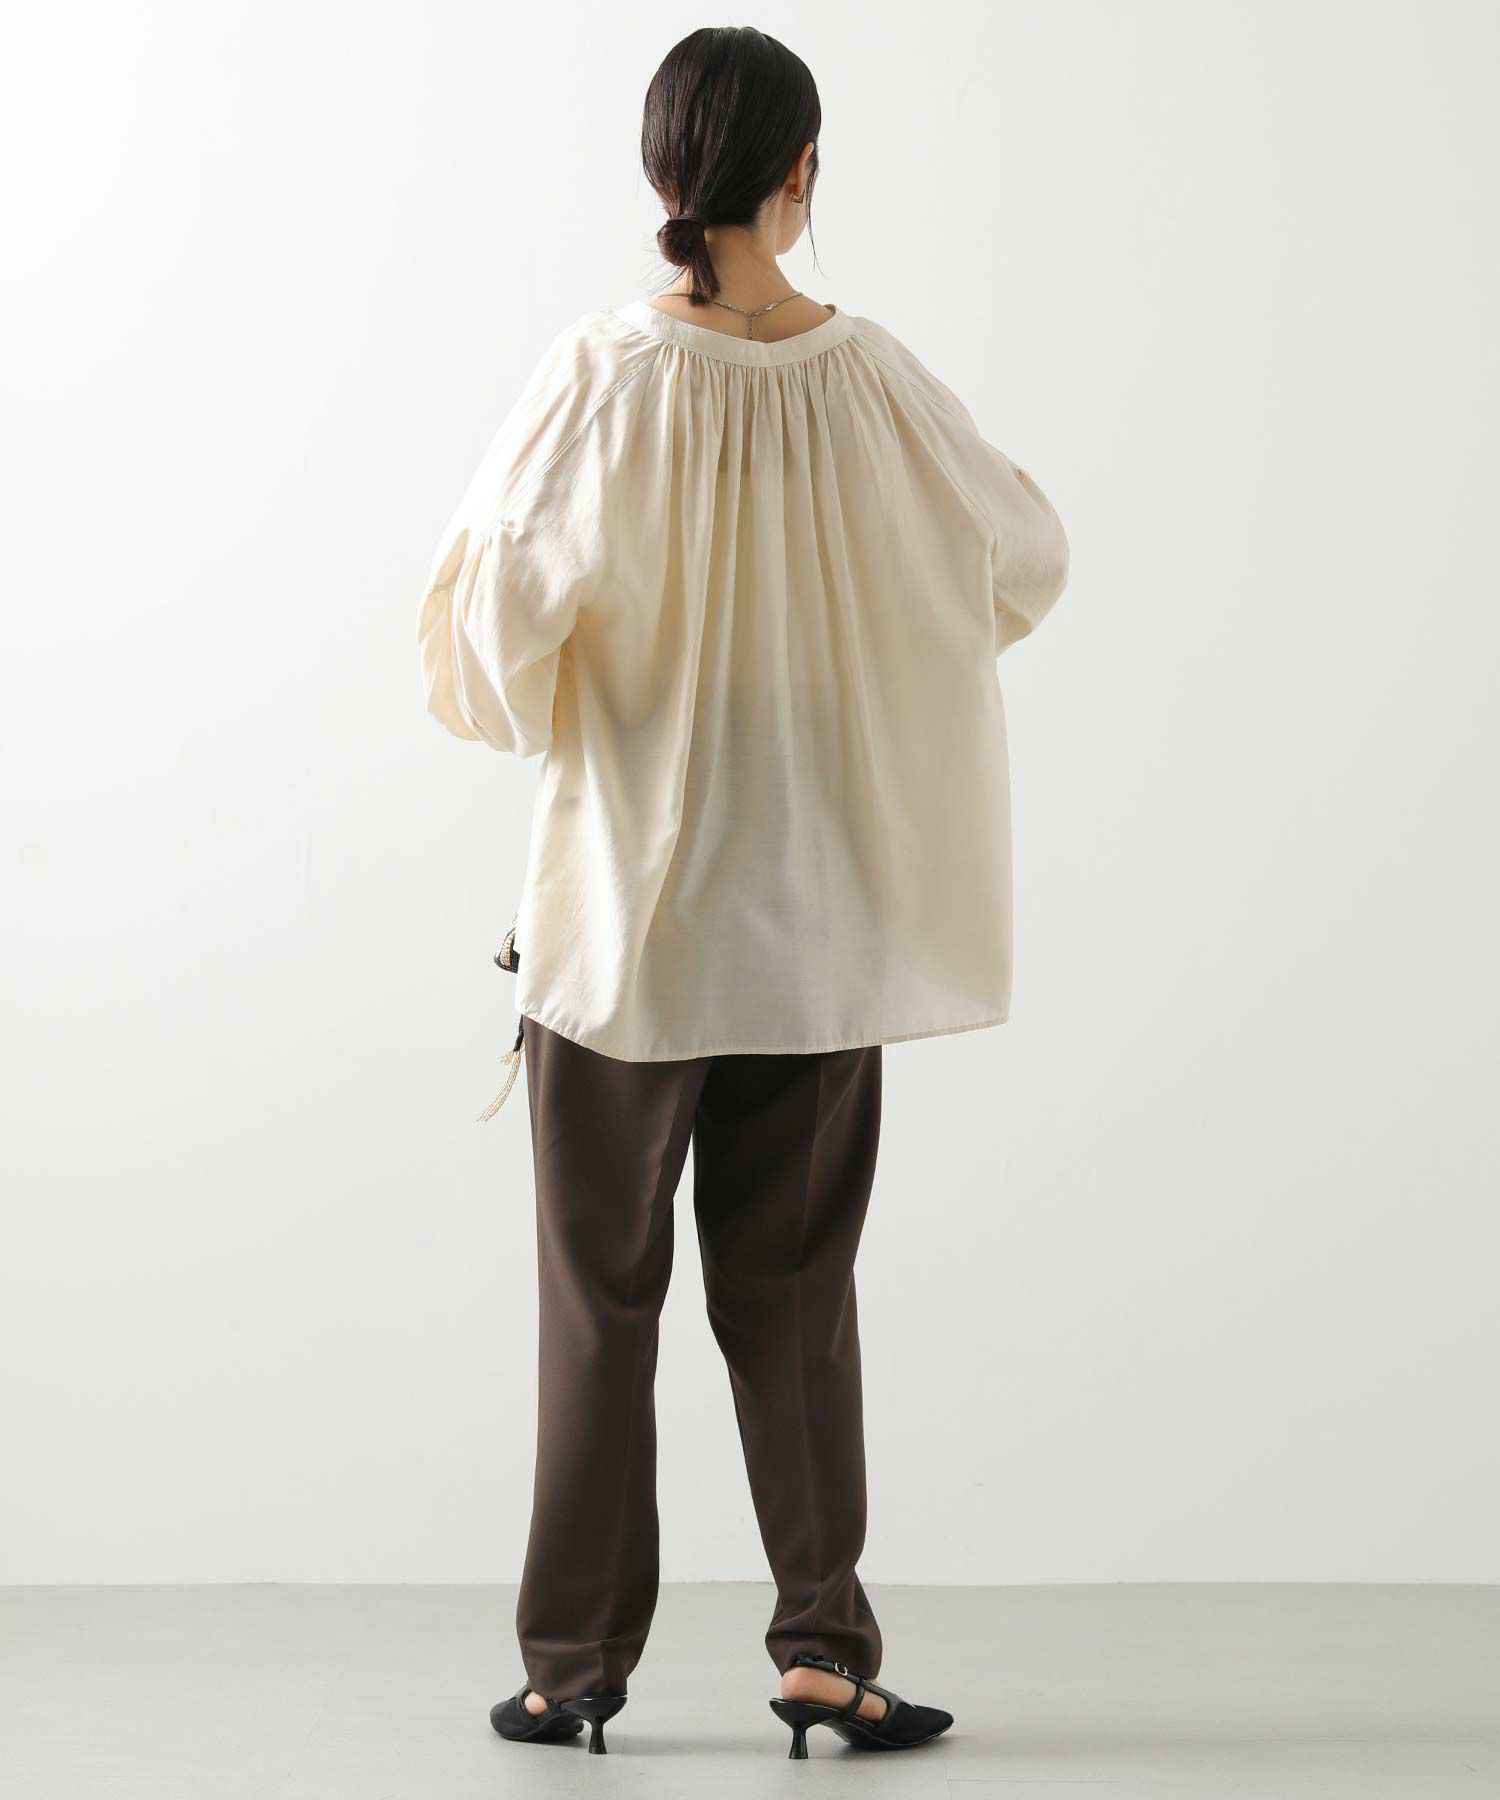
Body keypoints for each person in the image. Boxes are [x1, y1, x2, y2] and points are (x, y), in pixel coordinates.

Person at [416, 24, 1069, 1761]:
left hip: (622, 930)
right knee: (793, 1303)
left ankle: (571, 1668)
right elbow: (1022, 560)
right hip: (815, 926)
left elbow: (485, 653)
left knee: (598, 1307)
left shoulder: (602, 375)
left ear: (659, 174)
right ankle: (823, 1651)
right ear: (801, 171)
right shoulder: (874, 381)